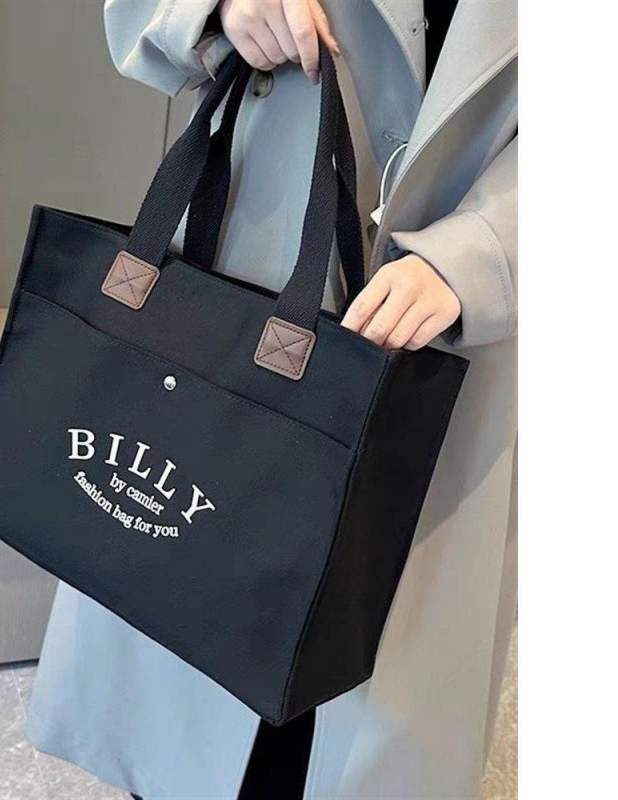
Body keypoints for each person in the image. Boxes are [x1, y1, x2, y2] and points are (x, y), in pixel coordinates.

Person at [27, 1, 518, 798]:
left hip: (457, 317)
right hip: (254, 249)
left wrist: (486, 253)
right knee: (190, 623)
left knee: (367, 673)